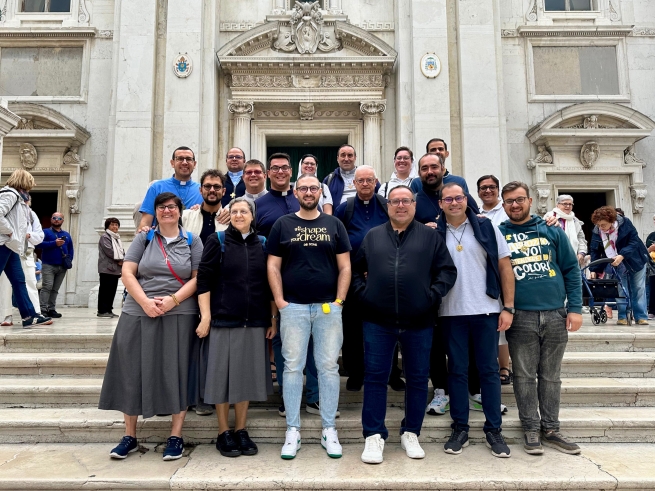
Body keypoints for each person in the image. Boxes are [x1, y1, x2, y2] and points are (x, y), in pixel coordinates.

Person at [353, 185, 457, 464]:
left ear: (414, 204)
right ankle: (373, 435)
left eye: (406, 201)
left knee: (417, 378)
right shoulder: (373, 236)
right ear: (388, 206)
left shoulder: (431, 237)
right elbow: (354, 270)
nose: (401, 205)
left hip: (419, 320)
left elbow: (447, 271)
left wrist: (431, 296)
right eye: (395, 201)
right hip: (377, 320)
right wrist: (365, 295)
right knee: (375, 377)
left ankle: (411, 431)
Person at [99, 192, 203, 461]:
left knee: (177, 370)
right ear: (155, 212)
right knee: (131, 367)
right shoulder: (143, 238)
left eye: (171, 207)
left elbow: (198, 278)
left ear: (180, 211)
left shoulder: (192, 240)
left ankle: (176, 436)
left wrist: (173, 300)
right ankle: (129, 436)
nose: (166, 211)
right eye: (161, 207)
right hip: (138, 309)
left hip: (179, 310)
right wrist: (145, 302)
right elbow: (127, 272)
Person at [267, 173, 351, 460]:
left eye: (313, 188)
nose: (308, 192)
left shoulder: (334, 224)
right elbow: (273, 266)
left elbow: (345, 267)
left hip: (328, 307)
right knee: (292, 367)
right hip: (294, 308)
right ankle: (293, 430)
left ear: (320, 192)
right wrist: (280, 302)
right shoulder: (283, 224)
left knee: (328, 368)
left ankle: (329, 429)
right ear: (295, 192)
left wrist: (339, 301)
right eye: (303, 188)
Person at [499, 181, 583, 455]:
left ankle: (551, 428)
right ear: (503, 205)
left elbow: (571, 269)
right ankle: (531, 428)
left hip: (555, 313)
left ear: (530, 201)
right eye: (509, 201)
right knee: (523, 376)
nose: (515, 204)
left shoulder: (551, 231)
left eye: (519, 199)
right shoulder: (499, 234)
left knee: (551, 376)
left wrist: (575, 308)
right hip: (520, 315)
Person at [436, 183, 513, 458]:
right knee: (456, 371)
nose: (454, 202)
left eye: (459, 197)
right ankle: (460, 428)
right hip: (450, 312)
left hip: (486, 309)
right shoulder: (435, 232)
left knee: (489, 372)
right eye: (448, 199)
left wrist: (508, 307)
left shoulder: (487, 228)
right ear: (441, 203)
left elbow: (505, 266)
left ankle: (494, 430)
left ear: (466, 200)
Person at [195, 197, 275, 457]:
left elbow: (270, 284)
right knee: (221, 377)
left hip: (254, 322)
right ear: (229, 216)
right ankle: (223, 431)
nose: (239, 215)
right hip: (223, 320)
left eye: (244, 211)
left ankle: (241, 429)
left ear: (252, 216)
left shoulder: (262, 244)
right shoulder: (217, 241)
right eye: (235, 211)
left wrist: (272, 319)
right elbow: (203, 281)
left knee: (246, 377)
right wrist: (205, 317)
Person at [255, 153, 321, 418]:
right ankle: (287, 396)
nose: (280, 172)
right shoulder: (259, 204)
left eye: (285, 168)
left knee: (315, 343)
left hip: (310, 280)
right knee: (282, 343)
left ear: (291, 173)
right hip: (276, 283)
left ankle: (315, 397)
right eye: (275, 168)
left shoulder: (304, 198)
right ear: (268, 173)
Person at [334, 165, 405, 392]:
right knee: (353, 329)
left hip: (385, 278)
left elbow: (399, 236)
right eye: (360, 181)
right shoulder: (345, 209)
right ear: (353, 184)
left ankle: (392, 373)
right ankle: (356, 373)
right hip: (353, 279)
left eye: (369, 180)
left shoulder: (388, 206)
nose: (365, 184)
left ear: (376, 182)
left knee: (389, 326)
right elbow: (337, 243)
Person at [0, 171, 51, 328]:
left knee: (19, 281)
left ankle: (29, 316)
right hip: (4, 242)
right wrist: (9, 231)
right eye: (30, 182)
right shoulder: (10, 194)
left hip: (12, 245)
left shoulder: (20, 198)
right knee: (18, 281)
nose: (31, 186)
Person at [476, 174, 512, 387]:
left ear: (498, 189)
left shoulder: (507, 211)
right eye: (483, 188)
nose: (487, 191)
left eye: (491, 187)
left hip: (506, 269)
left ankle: (504, 366)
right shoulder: (476, 213)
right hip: (485, 274)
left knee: (503, 325)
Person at [589, 206, 650, 326]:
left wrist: (622, 255)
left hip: (635, 259)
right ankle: (622, 316)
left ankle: (641, 317)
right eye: (598, 224)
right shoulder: (597, 230)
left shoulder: (625, 223)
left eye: (603, 224)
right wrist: (594, 269)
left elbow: (634, 242)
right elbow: (595, 250)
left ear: (612, 220)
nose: (601, 227)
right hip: (615, 263)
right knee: (621, 290)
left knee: (638, 289)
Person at [138, 147, 203, 230]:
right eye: (180, 159)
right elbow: (145, 222)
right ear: (172, 163)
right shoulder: (157, 187)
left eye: (189, 159)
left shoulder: (203, 190)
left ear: (194, 164)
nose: (184, 162)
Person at [414, 153, 479, 227]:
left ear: (442, 169)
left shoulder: (461, 197)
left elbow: (478, 224)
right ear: (419, 173)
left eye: (434, 167)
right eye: (424, 168)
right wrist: (422, 230)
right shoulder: (412, 202)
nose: (430, 172)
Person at [37, 211, 73, 319]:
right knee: (47, 287)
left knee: (55, 289)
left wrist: (69, 259)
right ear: (51, 219)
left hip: (62, 266)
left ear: (63, 220)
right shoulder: (45, 232)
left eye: (59, 218)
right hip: (48, 264)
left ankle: (51, 309)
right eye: (54, 218)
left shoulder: (66, 234)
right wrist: (54, 243)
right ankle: (43, 309)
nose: (56, 220)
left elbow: (71, 248)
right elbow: (38, 244)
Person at [182, 169, 228, 244]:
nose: (212, 190)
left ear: (223, 191)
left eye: (216, 187)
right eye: (207, 186)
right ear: (200, 190)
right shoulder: (185, 217)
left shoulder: (230, 219)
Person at [544, 195, 588, 266]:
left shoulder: (575, 220)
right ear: (557, 205)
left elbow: (581, 238)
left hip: (572, 259)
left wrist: (581, 253)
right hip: (553, 258)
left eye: (570, 204)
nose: (568, 206)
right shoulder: (549, 217)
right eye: (565, 204)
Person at [97, 218, 124, 318]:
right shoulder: (105, 236)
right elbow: (109, 251)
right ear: (107, 226)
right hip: (106, 268)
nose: (115, 227)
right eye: (112, 225)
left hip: (115, 269)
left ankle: (108, 310)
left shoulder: (117, 238)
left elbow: (121, 251)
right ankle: (102, 310)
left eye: (116, 225)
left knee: (112, 290)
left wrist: (123, 259)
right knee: (105, 290)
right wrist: (120, 260)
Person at [647, 214, 655, 319]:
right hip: (653, 267)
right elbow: (644, 250)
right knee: (653, 289)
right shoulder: (652, 236)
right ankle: (652, 311)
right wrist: (650, 249)